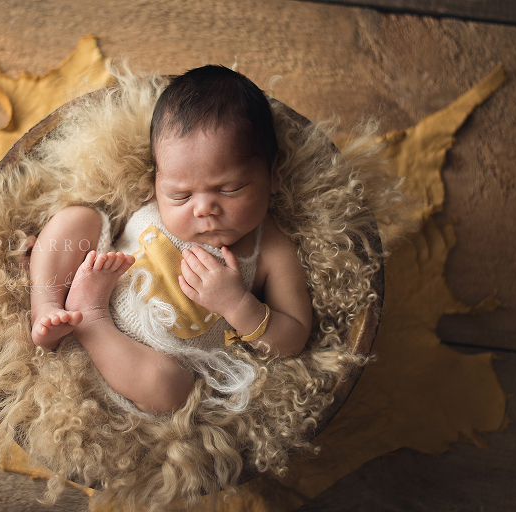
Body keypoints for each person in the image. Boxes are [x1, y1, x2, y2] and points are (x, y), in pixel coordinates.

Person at [28, 66, 313, 414]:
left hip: (146, 361)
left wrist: (237, 305)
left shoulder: (271, 249)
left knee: (171, 390)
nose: (203, 208)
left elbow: (294, 337)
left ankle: (92, 321)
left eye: (230, 189)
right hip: (94, 279)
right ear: (158, 180)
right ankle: (45, 307)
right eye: (180, 195)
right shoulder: (151, 193)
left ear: (272, 173)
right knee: (76, 220)